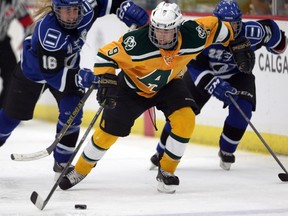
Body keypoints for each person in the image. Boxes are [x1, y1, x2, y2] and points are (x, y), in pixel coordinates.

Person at [58, 1, 255, 194]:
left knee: (186, 120)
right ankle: (80, 170)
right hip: (131, 89)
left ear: (177, 29)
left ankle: (167, 172)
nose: (160, 35)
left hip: (169, 85)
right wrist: (108, 78)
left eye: (166, 30)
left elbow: (222, 27)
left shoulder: (195, 33)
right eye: (157, 29)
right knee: (107, 133)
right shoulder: (136, 41)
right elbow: (105, 55)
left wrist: (238, 42)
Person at [0, 0, 148, 177]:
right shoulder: (49, 33)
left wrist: (123, 6)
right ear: (56, 10)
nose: (71, 16)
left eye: (74, 10)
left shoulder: (85, 10)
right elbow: (52, 74)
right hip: (34, 73)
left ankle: (62, 165)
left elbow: (105, 3)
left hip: (66, 70)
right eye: (65, 11)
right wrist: (83, 78)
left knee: (72, 113)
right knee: (10, 119)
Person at [150, 0, 287, 171]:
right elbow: (191, 64)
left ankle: (227, 151)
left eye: (234, 26)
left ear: (240, 22)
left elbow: (277, 41)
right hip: (202, 73)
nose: (229, 32)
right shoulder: (202, 35)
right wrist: (210, 82)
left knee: (242, 111)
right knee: (181, 112)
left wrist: (277, 39)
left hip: (237, 75)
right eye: (224, 26)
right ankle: (161, 152)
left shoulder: (252, 33)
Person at [0, 0, 33, 108]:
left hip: (2, 42)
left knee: (11, 76)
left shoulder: (14, 3)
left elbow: (29, 23)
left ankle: (3, 109)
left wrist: (26, 40)